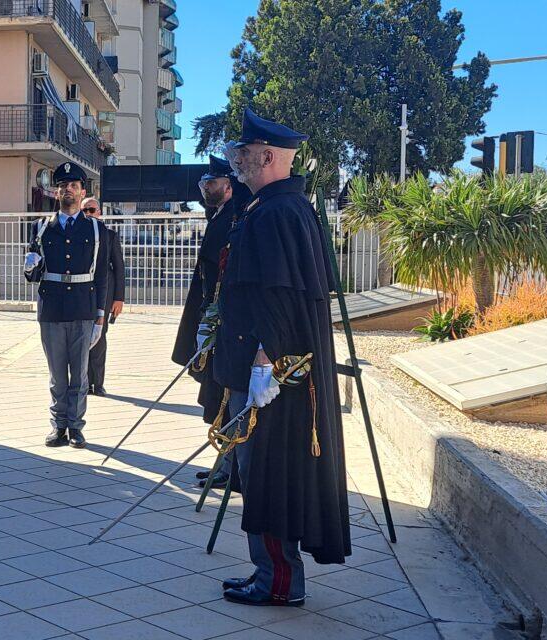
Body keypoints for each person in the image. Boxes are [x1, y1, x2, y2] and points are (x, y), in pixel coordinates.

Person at [212, 108, 350, 606]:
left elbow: (279, 299)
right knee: (259, 473)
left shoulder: (275, 213)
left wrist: (264, 367)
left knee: (267, 475)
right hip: (262, 368)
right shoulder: (280, 208)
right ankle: (270, 572)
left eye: (246, 156)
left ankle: (278, 581)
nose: (239, 164)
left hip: (267, 375)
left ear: (269, 157)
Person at [172, 155, 251, 489]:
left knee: (222, 395)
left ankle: (231, 467)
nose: (207, 190)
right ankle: (226, 463)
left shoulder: (232, 218)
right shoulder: (217, 216)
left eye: (213, 184)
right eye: (204, 184)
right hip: (210, 317)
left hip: (222, 322)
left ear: (229, 186)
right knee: (218, 394)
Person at [24, 162, 109, 449]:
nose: (67, 190)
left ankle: (76, 427)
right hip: (52, 307)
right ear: (56, 191)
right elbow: (32, 271)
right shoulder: (41, 227)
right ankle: (58, 425)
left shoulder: (96, 229)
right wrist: (29, 268)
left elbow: (101, 276)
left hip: (83, 308)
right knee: (57, 374)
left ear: (82, 191)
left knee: (80, 374)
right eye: (62, 186)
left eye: (73, 186)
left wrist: (100, 316)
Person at [83, 197, 124, 397]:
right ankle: (83, 381)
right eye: (85, 211)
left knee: (100, 335)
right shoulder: (78, 234)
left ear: (99, 212)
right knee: (82, 334)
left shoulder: (109, 235)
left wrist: (119, 298)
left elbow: (119, 268)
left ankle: (97, 383)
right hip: (83, 292)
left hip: (105, 292)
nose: (89, 214)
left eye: (92, 210)